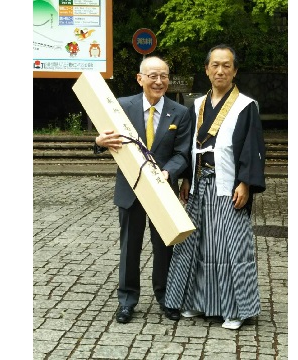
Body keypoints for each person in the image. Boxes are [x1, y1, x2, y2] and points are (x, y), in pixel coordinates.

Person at [164, 44, 266, 330]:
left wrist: (245, 183)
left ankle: (235, 309)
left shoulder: (246, 106)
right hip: (198, 184)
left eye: (227, 65)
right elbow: (187, 146)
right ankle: (198, 303)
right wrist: (186, 178)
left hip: (228, 185)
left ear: (234, 71)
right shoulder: (195, 105)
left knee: (228, 247)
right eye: (215, 65)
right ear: (207, 70)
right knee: (195, 246)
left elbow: (252, 147)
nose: (220, 70)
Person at [94, 56, 192, 324]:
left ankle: (166, 298)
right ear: (140, 79)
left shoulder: (180, 113)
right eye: (153, 76)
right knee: (129, 246)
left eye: (163, 76)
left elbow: (183, 153)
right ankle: (127, 301)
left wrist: (168, 172)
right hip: (130, 189)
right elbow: (105, 139)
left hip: (162, 190)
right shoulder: (122, 107)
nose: (159, 81)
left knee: (164, 247)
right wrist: (98, 141)